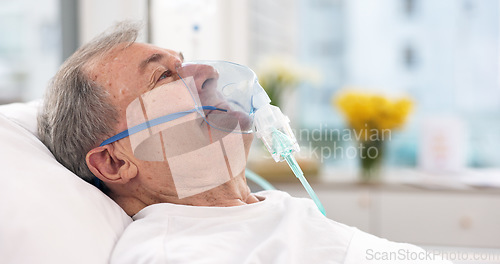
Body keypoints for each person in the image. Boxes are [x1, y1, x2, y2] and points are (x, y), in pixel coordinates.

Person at [38, 21, 451, 263]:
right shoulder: (173, 254)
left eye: (184, 63)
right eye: (163, 77)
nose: (207, 73)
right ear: (114, 163)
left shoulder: (271, 212)